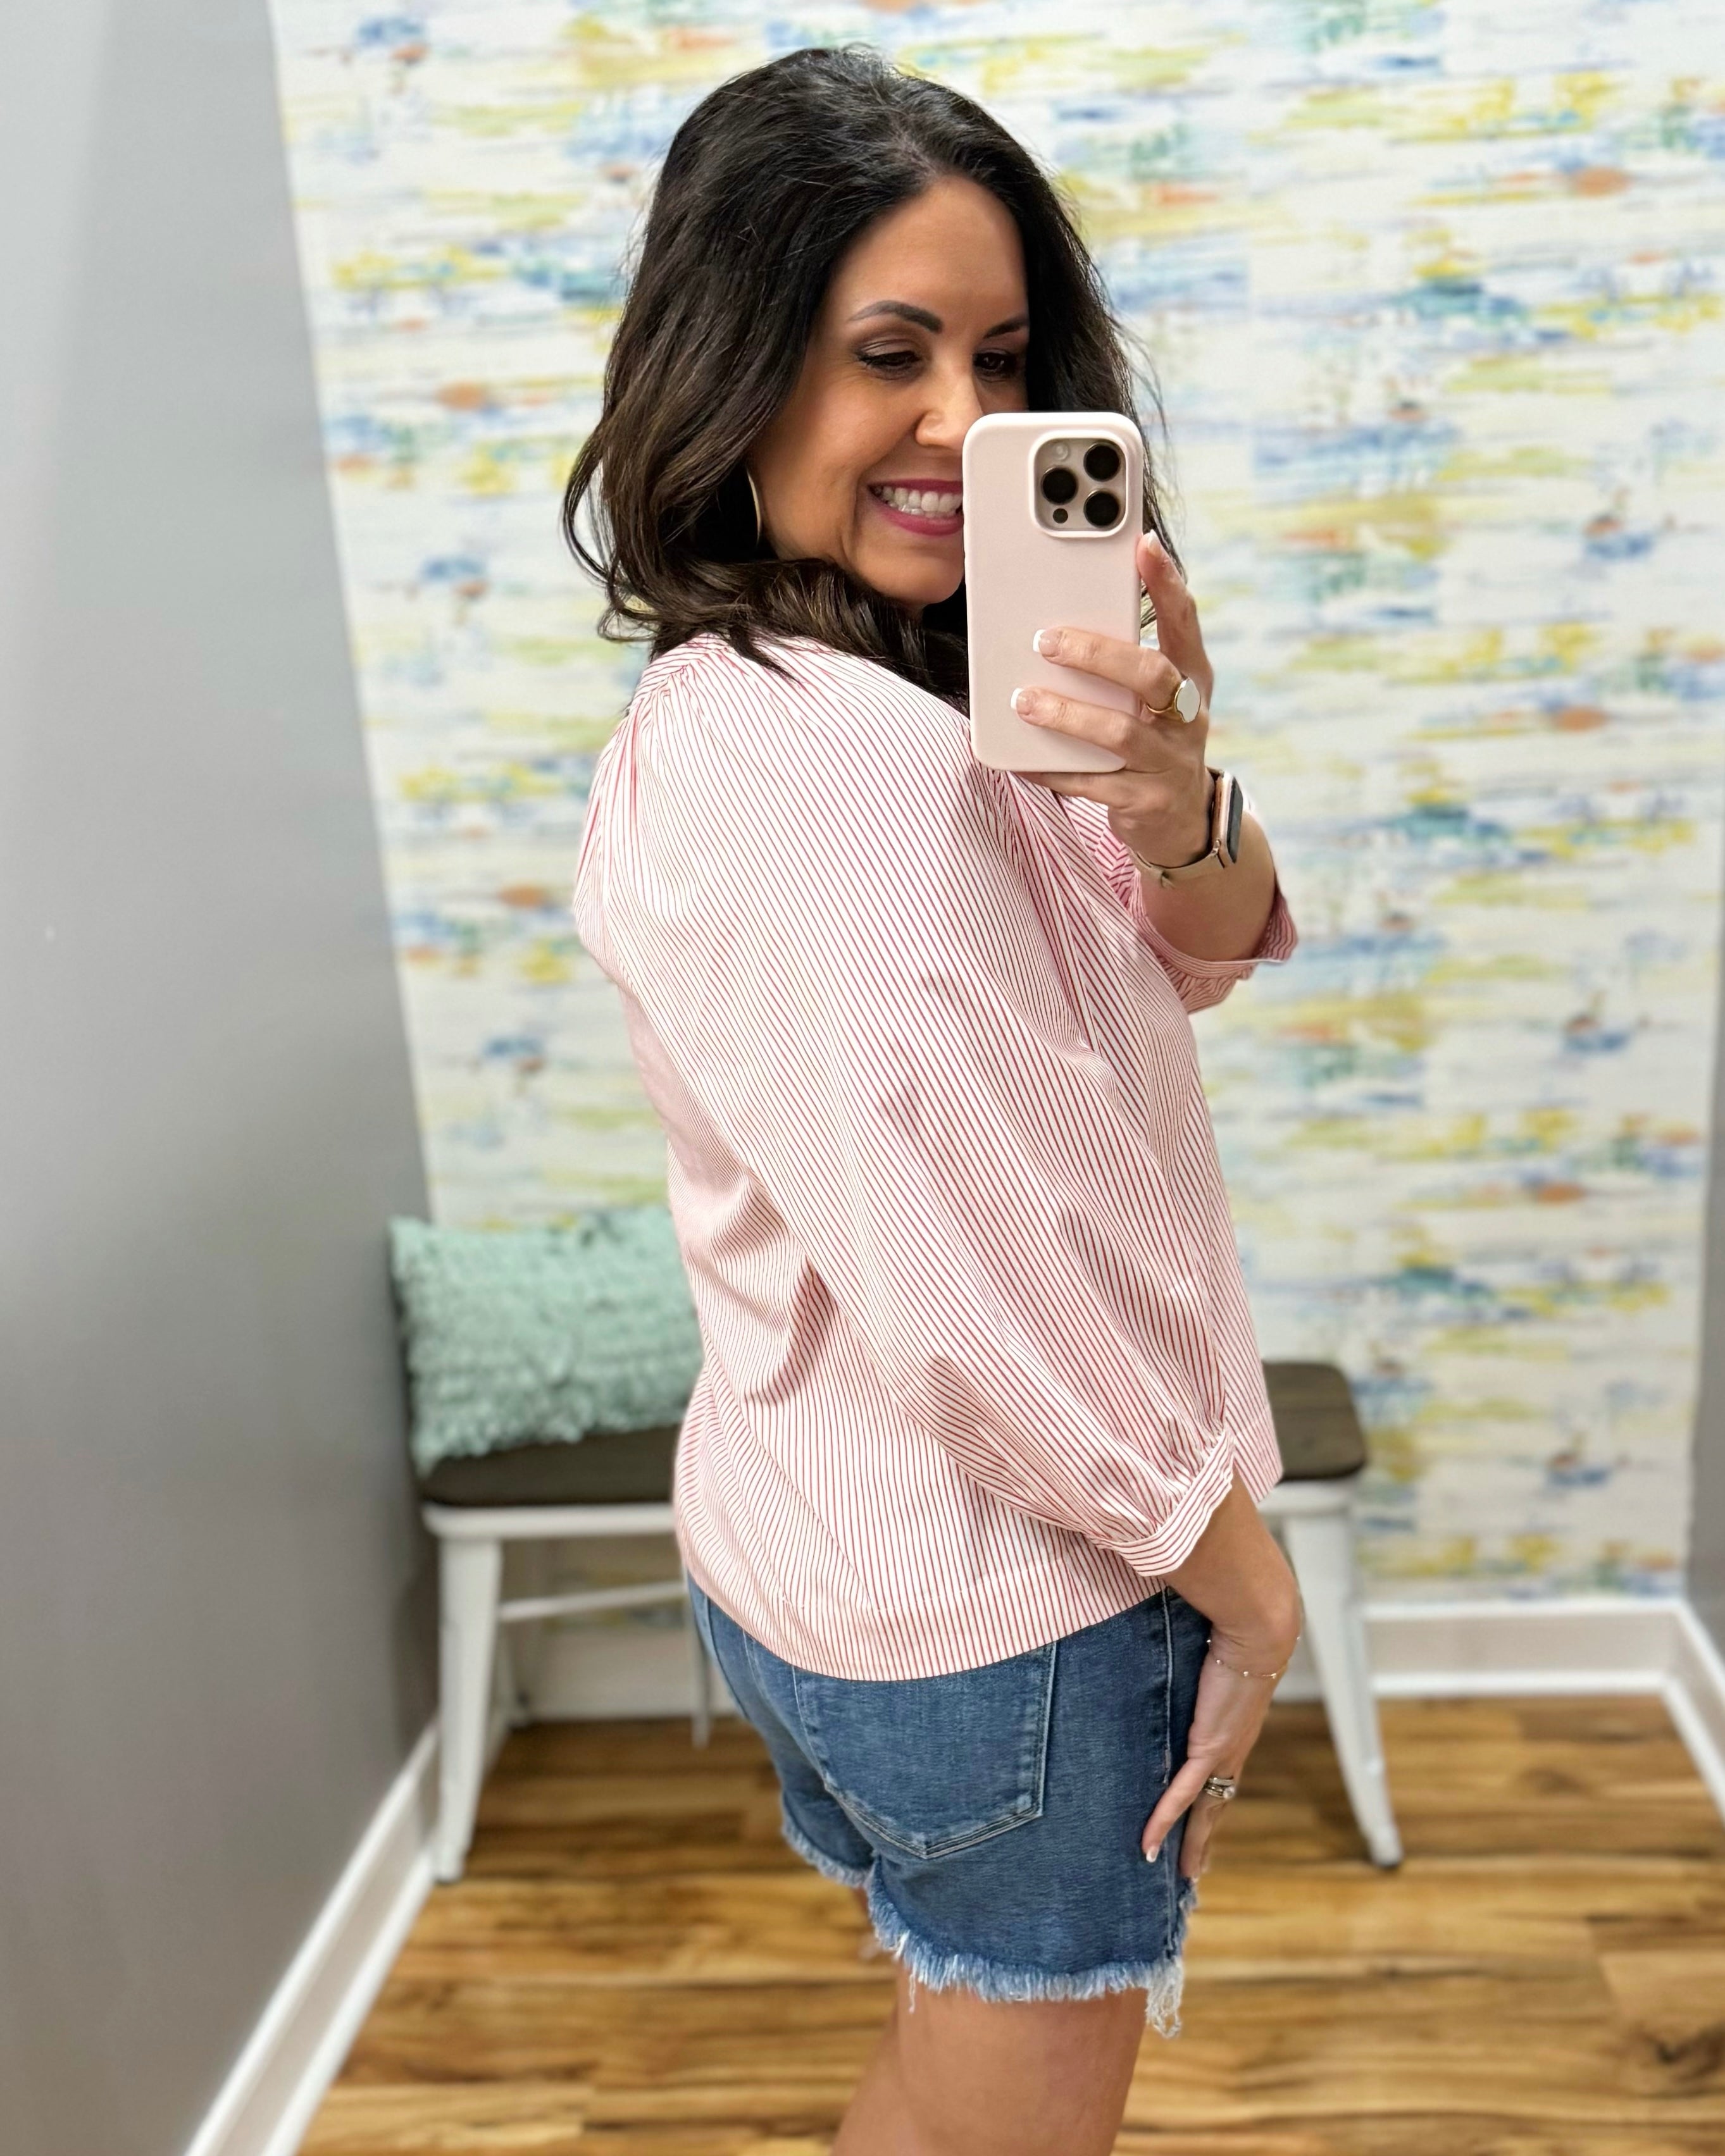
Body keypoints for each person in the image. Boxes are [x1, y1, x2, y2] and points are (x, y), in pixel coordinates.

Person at [568, 45, 1302, 2156]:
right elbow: (977, 1274)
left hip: (835, 1554)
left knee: (948, 2047)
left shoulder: (850, 690)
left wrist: (1172, 794)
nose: (962, 427)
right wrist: (1233, 1570)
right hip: (1022, 1598)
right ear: (736, 361)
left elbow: (1195, 949)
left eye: (1001, 356)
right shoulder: (844, 780)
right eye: (886, 353)